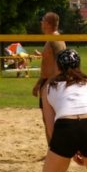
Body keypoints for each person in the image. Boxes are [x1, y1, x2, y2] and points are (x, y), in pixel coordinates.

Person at [32, 12, 67, 141]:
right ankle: (53, 150)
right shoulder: (52, 39)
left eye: (43, 20)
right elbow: (50, 63)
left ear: (47, 23)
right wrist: (38, 83)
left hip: (53, 84)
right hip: (48, 82)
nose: (41, 23)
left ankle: (55, 151)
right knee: (48, 120)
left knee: (50, 120)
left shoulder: (55, 40)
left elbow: (62, 63)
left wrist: (51, 82)